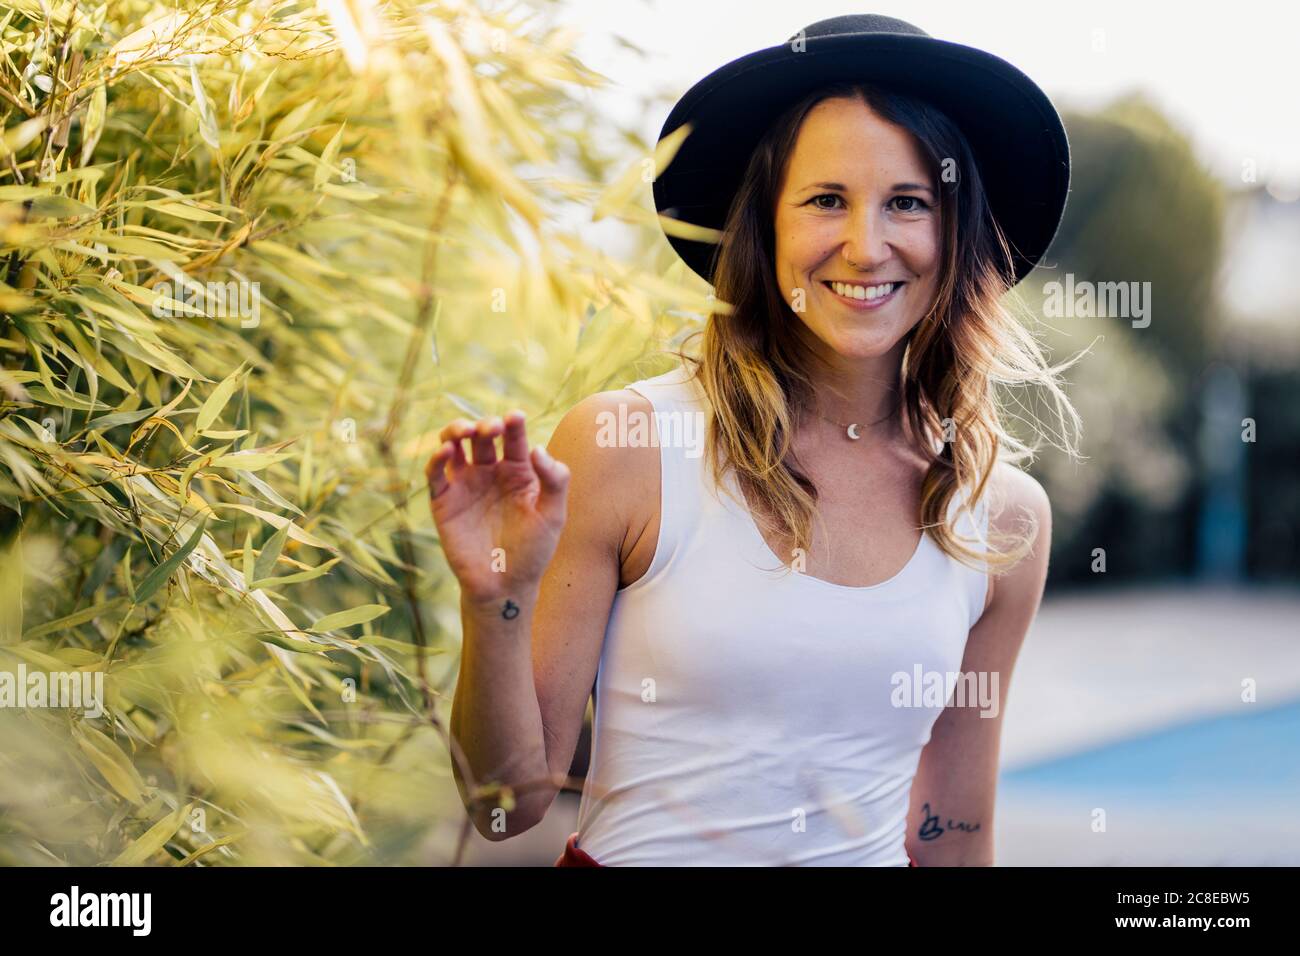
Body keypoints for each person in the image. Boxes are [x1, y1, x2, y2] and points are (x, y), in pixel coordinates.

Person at [425, 14, 1082, 866]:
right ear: (763, 226)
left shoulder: (1000, 517)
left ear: (954, 236)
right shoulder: (627, 448)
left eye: (908, 203)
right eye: (825, 201)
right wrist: (494, 602)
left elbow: (955, 839)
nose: (866, 244)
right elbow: (507, 811)